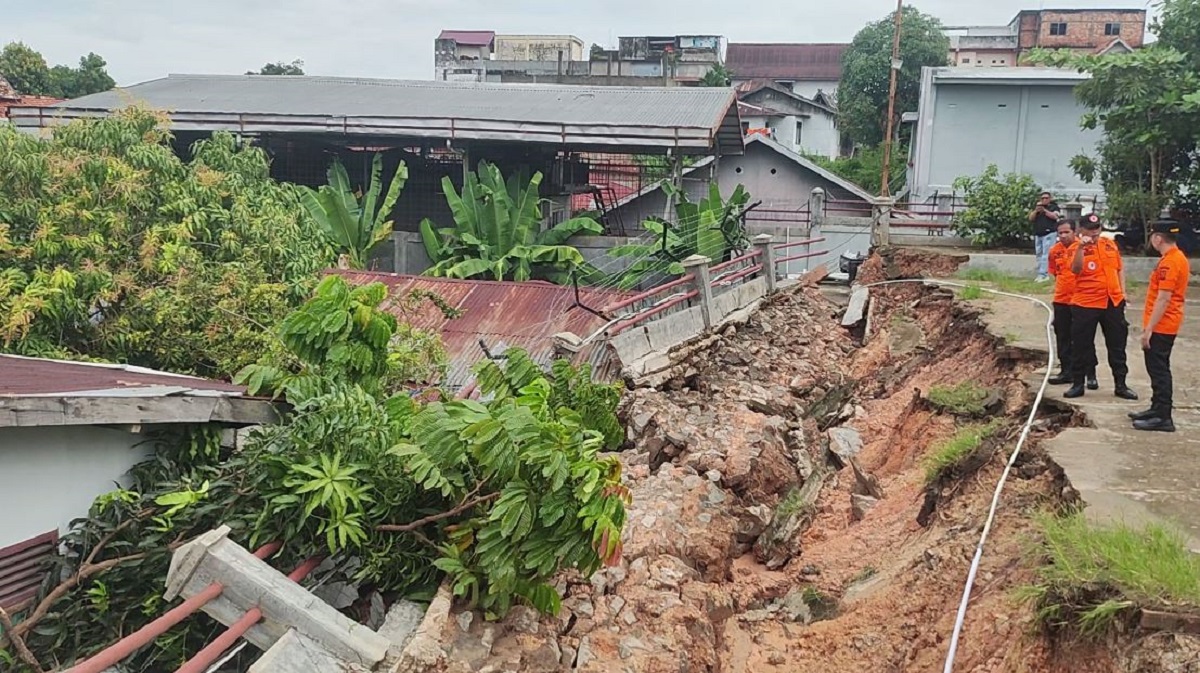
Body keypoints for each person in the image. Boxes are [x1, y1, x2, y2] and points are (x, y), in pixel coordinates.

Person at [1064, 213, 1138, 400]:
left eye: (1097, 229)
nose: (1094, 232)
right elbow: (1075, 269)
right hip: (1086, 304)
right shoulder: (1074, 248)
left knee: (1117, 345)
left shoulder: (1109, 244)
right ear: (1081, 230)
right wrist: (1082, 246)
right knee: (1081, 345)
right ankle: (1078, 383)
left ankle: (1120, 384)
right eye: (1089, 229)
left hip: (1112, 302)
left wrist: (1123, 292)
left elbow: (1119, 269)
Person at [1129, 218, 1190, 432]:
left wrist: (1149, 330)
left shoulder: (1170, 262)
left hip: (1163, 325)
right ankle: (1156, 408)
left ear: (1157, 238)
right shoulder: (1177, 258)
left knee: (1159, 370)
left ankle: (1164, 416)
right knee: (1156, 369)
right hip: (1165, 323)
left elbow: (1163, 298)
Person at [1047, 220, 1098, 388]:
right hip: (1061, 299)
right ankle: (1066, 371)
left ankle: (1090, 373)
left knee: (1084, 339)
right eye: (1060, 233)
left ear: (1074, 232)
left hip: (1081, 300)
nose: (1063, 236)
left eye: (1066, 232)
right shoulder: (1054, 251)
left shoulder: (1084, 247)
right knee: (1063, 336)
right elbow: (1056, 273)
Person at [1030, 191, 1061, 282]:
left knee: (1046, 254)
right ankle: (1040, 273)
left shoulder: (1054, 207)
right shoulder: (1037, 209)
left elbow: (1055, 217)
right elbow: (1031, 218)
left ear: (1050, 199)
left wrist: (1045, 211)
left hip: (1049, 233)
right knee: (1039, 254)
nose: (1044, 200)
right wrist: (1036, 211)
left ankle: (1044, 274)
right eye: (1042, 198)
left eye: (1046, 198)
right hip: (1038, 234)